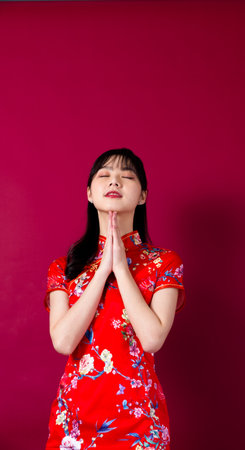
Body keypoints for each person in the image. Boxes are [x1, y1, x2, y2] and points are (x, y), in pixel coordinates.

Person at [44, 147, 186, 449]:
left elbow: (151, 339)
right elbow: (64, 342)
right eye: (104, 175)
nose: (114, 182)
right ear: (89, 194)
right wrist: (101, 270)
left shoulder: (165, 263)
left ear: (143, 196)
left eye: (127, 176)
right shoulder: (63, 268)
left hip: (139, 422)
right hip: (74, 421)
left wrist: (121, 267)